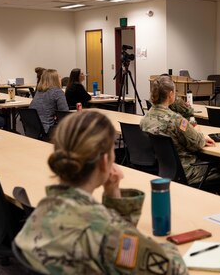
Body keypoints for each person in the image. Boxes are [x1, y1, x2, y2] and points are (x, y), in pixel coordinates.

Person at [14, 111, 187, 274]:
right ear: (105, 161)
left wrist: (113, 192)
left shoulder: (44, 209)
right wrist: (169, 248)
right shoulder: (103, 230)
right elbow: (173, 269)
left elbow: (118, 242)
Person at [141, 75, 220, 185]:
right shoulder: (177, 120)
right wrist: (200, 134)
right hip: (188, 171)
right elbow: (196, 143)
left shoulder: (145, 119)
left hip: (164, 170)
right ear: (170, 95)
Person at [29, 69, 68, 133]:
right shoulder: (58, 92)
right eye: (59, 77)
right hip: (47, 129)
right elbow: (64, 114)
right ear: (55, 79)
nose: (61, 79)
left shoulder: (39, 91)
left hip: (33, 129)